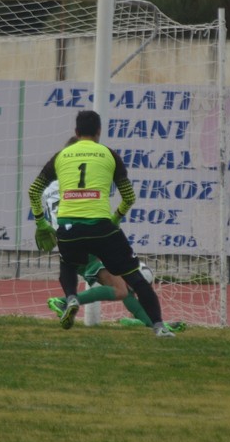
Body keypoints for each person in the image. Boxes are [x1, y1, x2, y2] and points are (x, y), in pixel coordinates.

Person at [28, 110, 175, 338]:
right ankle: (159, 326)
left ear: (76, 132)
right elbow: (129, 197)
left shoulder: (61, 157)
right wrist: (115, 219)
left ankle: (70, 298)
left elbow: (33, 190)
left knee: (68, 264)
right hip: (101, 228)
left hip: (68, 230)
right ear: (99, 131)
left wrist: (40, 223)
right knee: (133, 279)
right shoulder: (109, 154)